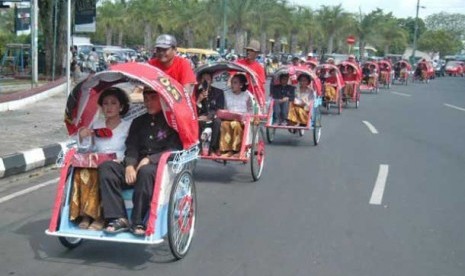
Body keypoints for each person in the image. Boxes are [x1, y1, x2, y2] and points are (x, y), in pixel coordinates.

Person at [98, 88, 182, 236]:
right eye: (146, 99)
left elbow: (174, 147)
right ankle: (119, 217)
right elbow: (132, 146)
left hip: (158, 166)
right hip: (134, 163)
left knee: (145, 171)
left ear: (162, 99)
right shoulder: (138, 122)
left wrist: (150, 159)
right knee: (107, 167)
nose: (148, 103)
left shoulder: (172, 121)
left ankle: (138, 221)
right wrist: (130, 165)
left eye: (153, 98)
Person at [70, 87, 131, 231]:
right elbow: (86, 149)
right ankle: (86, 215)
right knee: (82, 170)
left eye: (113, 103)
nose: (109, 107)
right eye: (105, 103)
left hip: (117, 165)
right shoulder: (96, 125)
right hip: (97, 162)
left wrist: (121, 160)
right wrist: (83, 137)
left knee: (104, 170)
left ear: (121, 106)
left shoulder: (128, 127)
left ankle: (100, 217)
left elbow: (132, 149)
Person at [219, 74, 254, 157]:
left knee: (235, 125)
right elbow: (222, 107)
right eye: (232, 82)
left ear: (241, 85)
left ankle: (236, 150)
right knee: (224, 124)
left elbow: (252, 110)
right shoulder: (226, 93)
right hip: (228, 118)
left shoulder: (247, 95)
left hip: (242, 120)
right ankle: (225, 150)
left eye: (235, 83)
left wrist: (245, 117)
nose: (232, 85)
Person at [195, 71, 225, 156]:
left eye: (208, 79)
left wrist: (209, 116)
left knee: (217, 122)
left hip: (213, 116)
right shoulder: (197, 92)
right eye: (203, 79)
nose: (205, 81)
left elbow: (220, 108)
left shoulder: (219, 92)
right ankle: (199, 148)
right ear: (201, 81)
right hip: (201, 116)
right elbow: (194, 109)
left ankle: (213, 148)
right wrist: (199, 100)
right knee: (197, 122)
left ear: (211, 81)